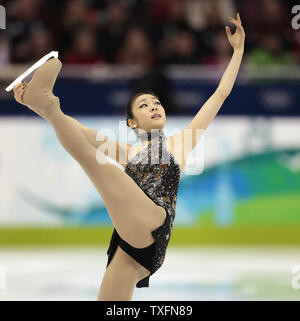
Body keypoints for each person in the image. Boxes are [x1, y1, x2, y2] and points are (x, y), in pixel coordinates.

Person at [12, 13, 245, 301]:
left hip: (152, 225)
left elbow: (219, 95)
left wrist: (238, 52)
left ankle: (47, 103)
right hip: (129, 246)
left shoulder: (180, 144)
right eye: (144, 105)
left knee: (92, 163)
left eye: (157, 103)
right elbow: (77, 129)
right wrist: (32, 106)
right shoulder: (127, 152)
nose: (154, 107)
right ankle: (44, 104)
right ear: (132, 123)